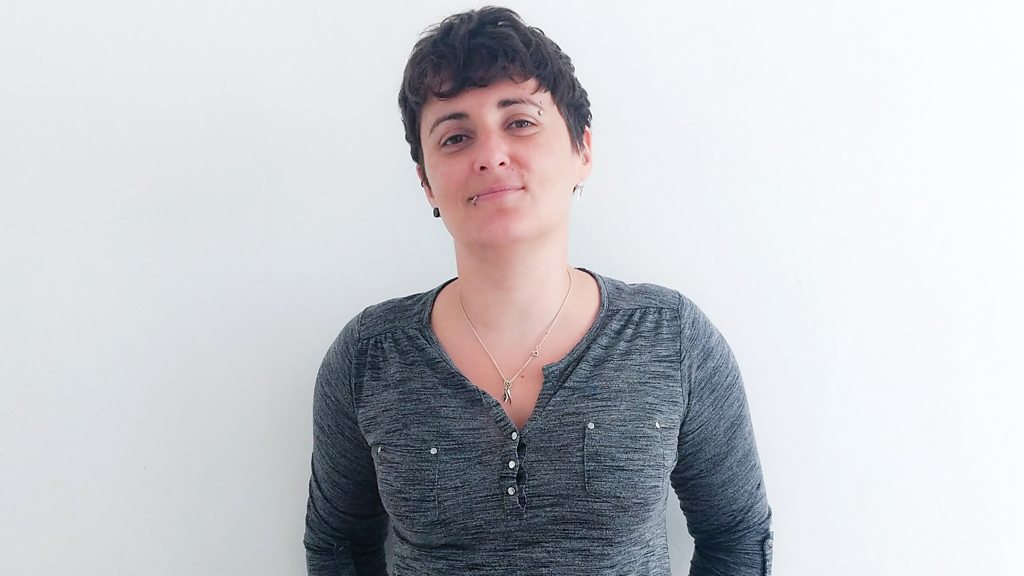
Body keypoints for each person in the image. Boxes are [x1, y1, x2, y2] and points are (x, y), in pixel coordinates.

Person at [304, 7, 772, 575]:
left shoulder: (671, 339)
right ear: (426, 181)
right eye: (456, 136)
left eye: (520, 122)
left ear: (582, 151)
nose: (491, 155)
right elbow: (338, 546)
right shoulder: (368, 357)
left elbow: (737, 536)